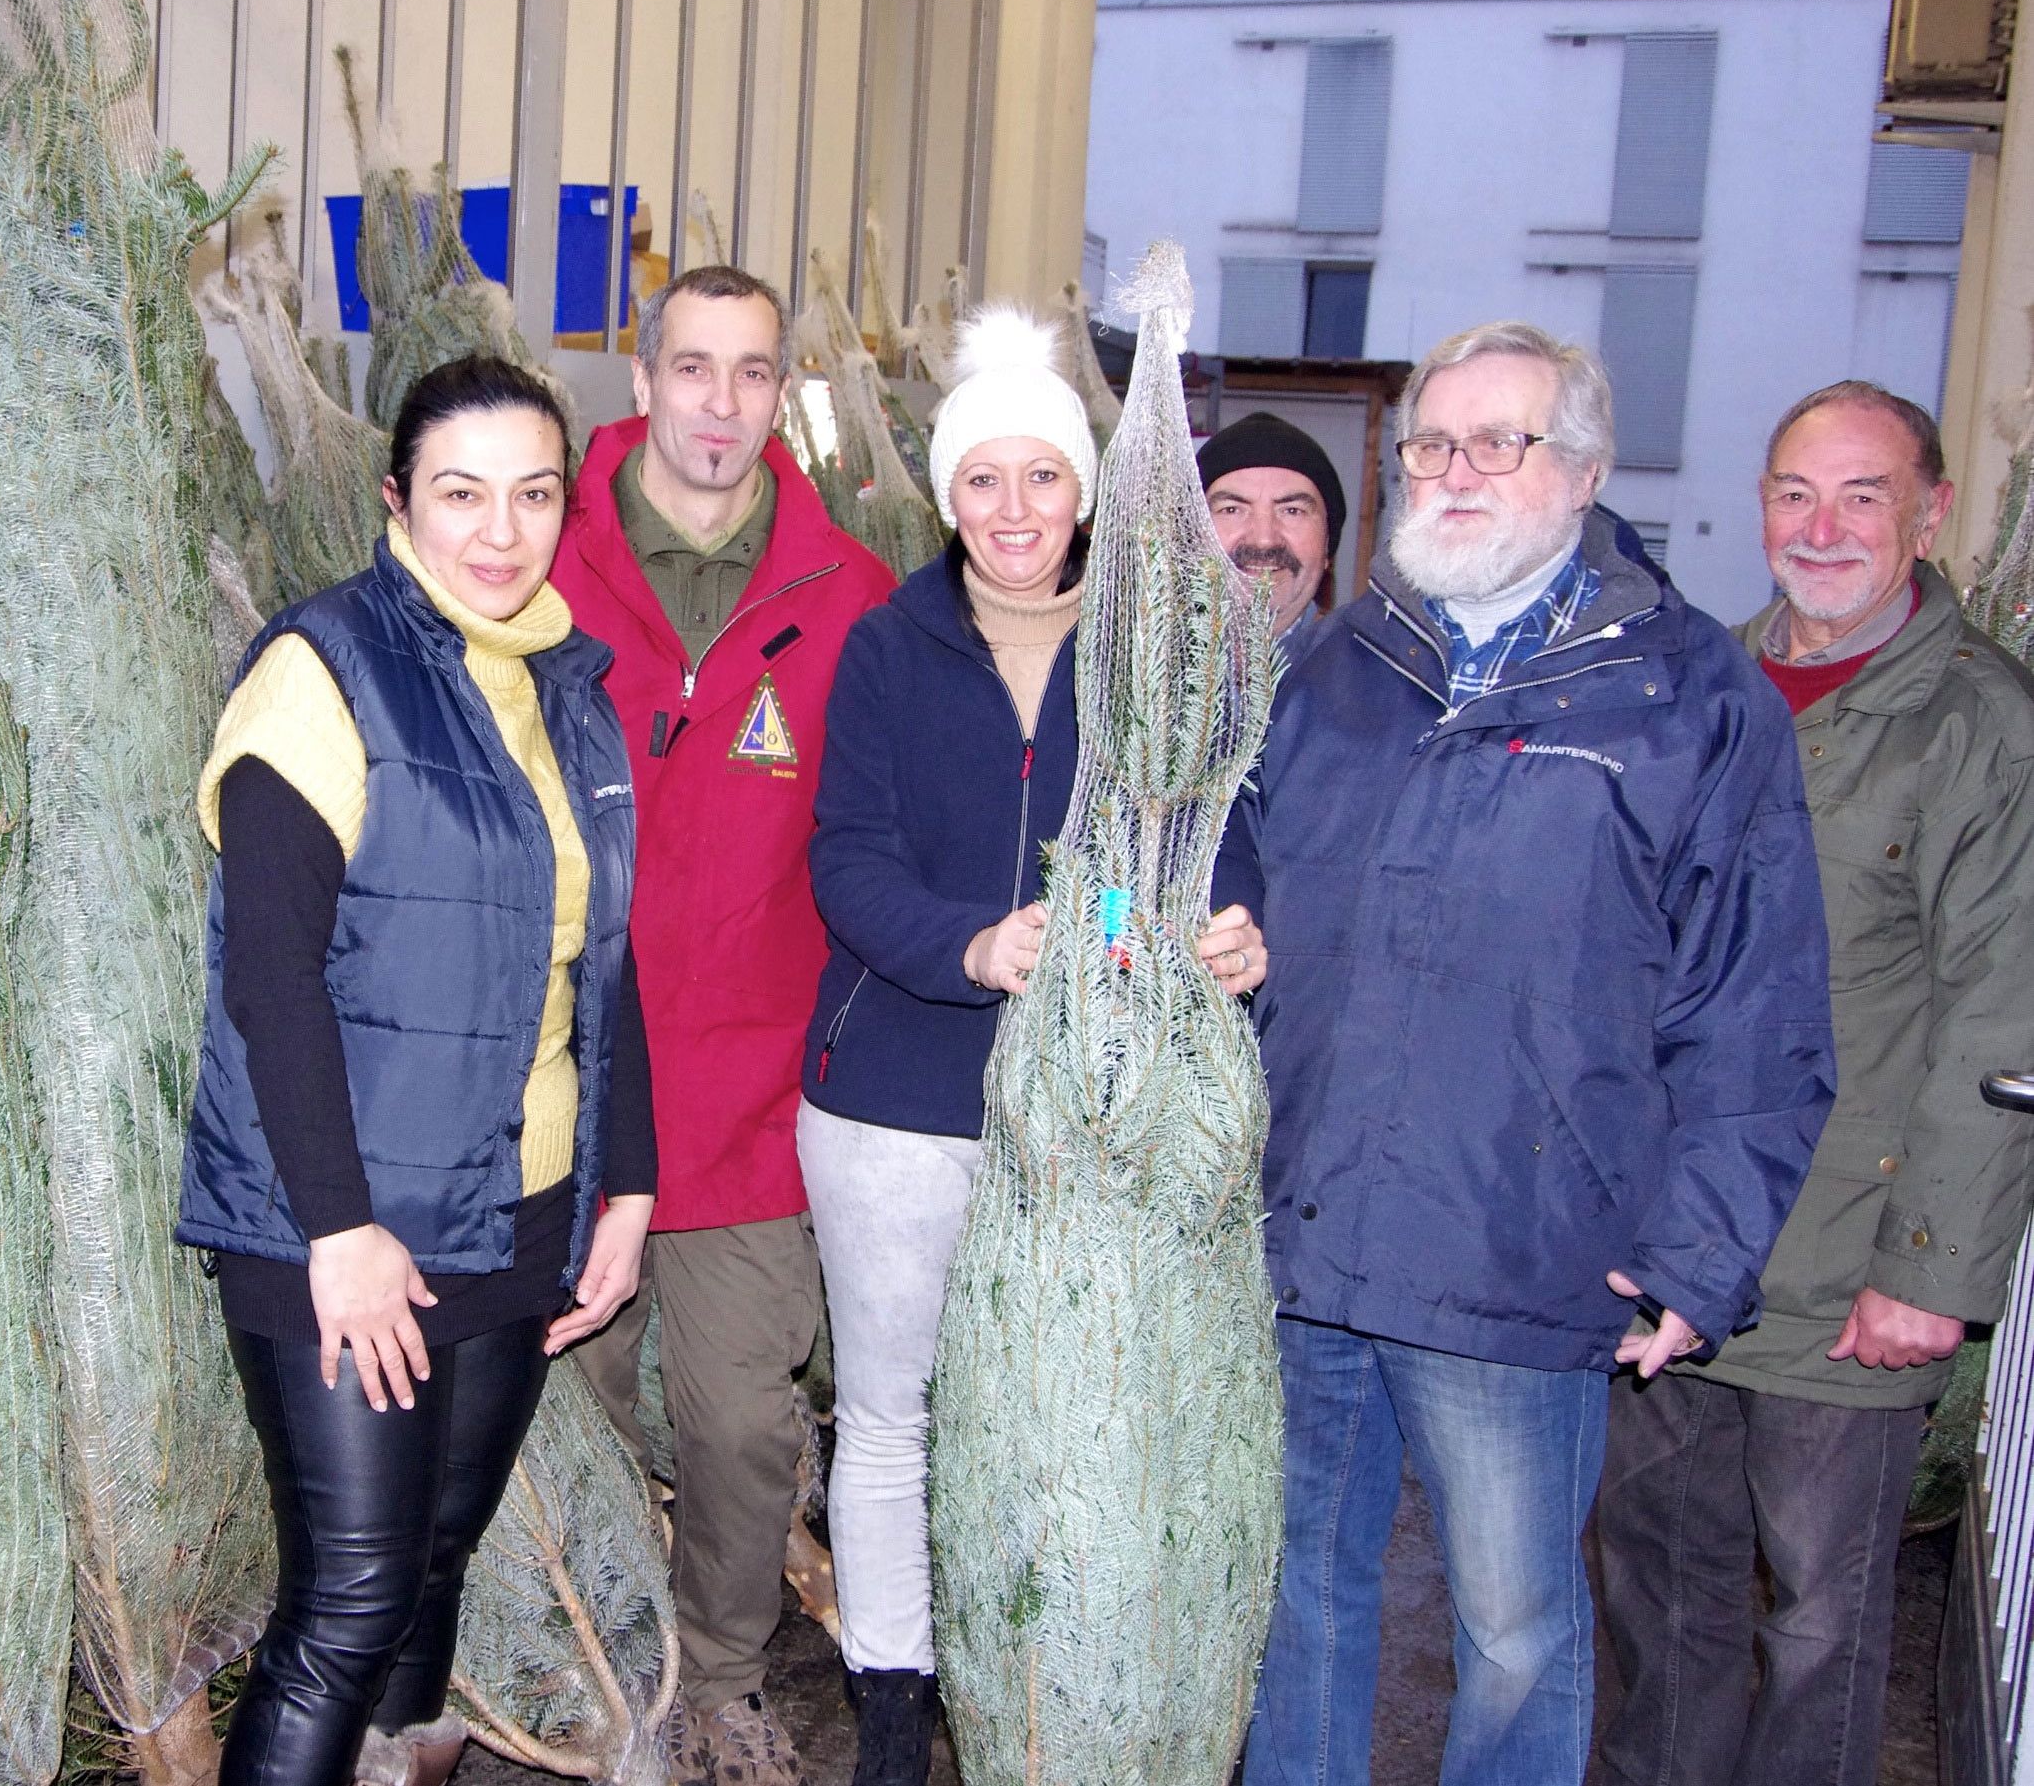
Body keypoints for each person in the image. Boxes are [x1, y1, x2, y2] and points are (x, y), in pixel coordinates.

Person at [1221, 320, 1837, 1786]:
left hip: (1518, 1246)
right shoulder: (1346, 667)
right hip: (1306, 1233)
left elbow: (1756, 1002)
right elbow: (1235, 890)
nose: (1455, 470)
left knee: (1514, 1630)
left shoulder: (1688, 699)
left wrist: (1701, 1255)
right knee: (1298, 1598)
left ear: (1586, 468)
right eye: (1434, 441)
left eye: (1498, 441)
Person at [795, 305, 1268, 1786]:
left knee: (1058, 1419)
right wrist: (972, 944)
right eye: (983, 481)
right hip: (901, 1095)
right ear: (947, 497)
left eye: (1043, 478)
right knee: (893, 1411)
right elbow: (846, 855)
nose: (1014, 511)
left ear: (1082, 491)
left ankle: (1050, 1689)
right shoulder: (888, 644)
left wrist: (1231, 932)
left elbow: (1215, 828)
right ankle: (890, 1695)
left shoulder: (1155, 653)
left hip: (1087, 1112)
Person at [176, 356, 649, 1786]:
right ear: (397, 501)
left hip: (518, 1206)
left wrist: (622, 1185)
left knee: (438, 1562)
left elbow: (607, 961)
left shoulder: (565, 685)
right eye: (461, 494)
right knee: (349, 1601)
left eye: (531, 494)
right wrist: (340, 1229)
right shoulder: (321, 670)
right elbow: (272, 976)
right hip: (345, 1222)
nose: (499, 532)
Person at [1595, 382, 2034, 1786]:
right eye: (1797, 492)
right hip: (1675, 1255)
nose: (1824, 526)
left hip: (1854, 1270)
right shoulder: (1700, 687)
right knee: (1661, 1603)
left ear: (1931, 511)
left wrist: (1931, 1269)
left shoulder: (1982, 727)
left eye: (1863, 494)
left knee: (1823, 1629)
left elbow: (2000, 1013)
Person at [552, 264, 897, 1786]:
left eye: (752, 372)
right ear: (643, 383)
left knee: (744, 1426)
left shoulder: (851, 597)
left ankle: (728, 1677)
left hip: (755, 1095)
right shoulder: (536, 565)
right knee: (572, 1405)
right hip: (571, 1086)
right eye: (693, 367)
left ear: (781, 393)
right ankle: (594, 1663)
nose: (720, 401)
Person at [1198, 410, 1347, 666]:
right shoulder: (1129, 673)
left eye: (1292, 511)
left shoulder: (1370, 680)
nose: (1264, 540)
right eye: (1232, 509)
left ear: (1327, 545)